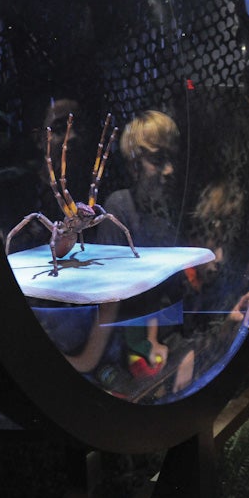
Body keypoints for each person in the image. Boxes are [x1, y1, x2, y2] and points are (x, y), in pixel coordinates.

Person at [95, 110, 182, 380]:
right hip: (127, 341)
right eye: (157, 160)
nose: (169, 170)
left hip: (165, 330)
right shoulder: (120, 207)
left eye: (172, 158)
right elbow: (113, 296)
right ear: (134, 165)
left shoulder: (171, 207)